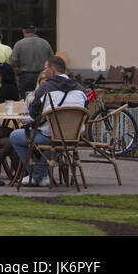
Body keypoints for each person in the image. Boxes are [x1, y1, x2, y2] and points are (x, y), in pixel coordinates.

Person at [10, 54, 87, 187]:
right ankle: (42, 176)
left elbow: (33, 115)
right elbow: (85, 114)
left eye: (45, 68)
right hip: (73, 137)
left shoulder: (45, 88)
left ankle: (37, 174)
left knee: (15, 136)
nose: (44, 72)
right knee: (55, 143)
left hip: (50, 136)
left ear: (52, 70)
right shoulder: (81, 90)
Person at [10, 26, 53, 94]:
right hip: (43, 77)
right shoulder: (45, 43)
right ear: (35, 30)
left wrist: (15, 76)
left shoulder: (19, 44)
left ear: (23, 31)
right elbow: (52, 60)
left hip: (25, 77)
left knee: (26, 100)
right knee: (43, 98)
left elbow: (13, 62)